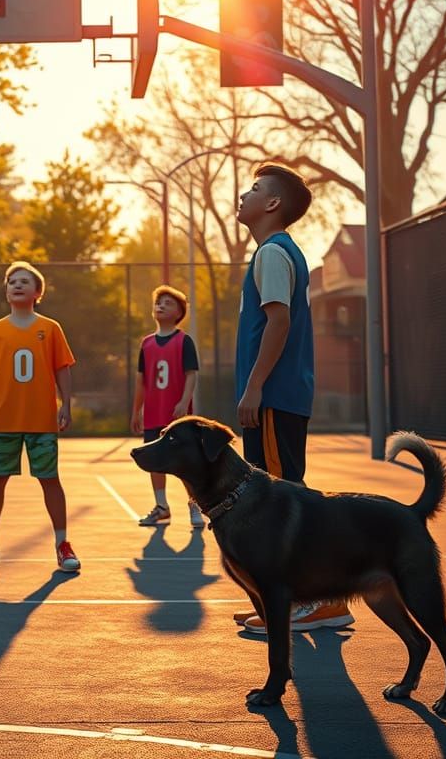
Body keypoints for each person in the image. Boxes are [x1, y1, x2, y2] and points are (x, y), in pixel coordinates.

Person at [233, 162, 354, 632]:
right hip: (281, 394)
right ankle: (293, 600)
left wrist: (255, 386)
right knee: (282, 497)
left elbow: (278, 323)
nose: (245, 194)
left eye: (255, 188)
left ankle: (318, 600)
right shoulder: (277, 253)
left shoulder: (273, 253)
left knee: (281, 501)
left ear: (273, 204)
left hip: (275, 395)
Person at [0, 262, 79, 574]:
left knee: (50, 481)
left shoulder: (51, 328)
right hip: (4, 420)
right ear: (6, 292)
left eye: (24, 281)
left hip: (41, 420)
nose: (17, 285)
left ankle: (62, 544)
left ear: (37, 292)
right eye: (12, 282)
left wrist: (65, 404)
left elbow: (62, 369)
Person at [131, 285, 203, 528]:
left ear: (179, 312)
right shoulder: (147, 343)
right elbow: (141, 380)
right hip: (153, 412)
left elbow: (191, 374)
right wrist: (136, 410)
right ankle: (161, 507)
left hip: (177, 414)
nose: (160, 305)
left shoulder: (184, 341)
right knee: (154, 460)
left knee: (185, 461)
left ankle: (194, 504)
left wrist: (184, 401)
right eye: (158, 302)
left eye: (167, 303)